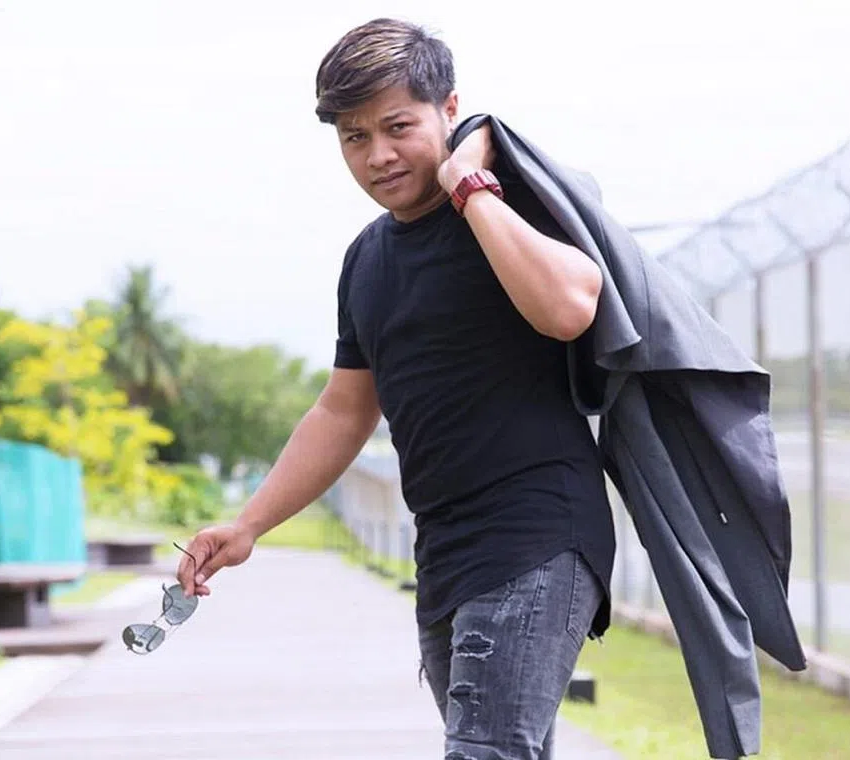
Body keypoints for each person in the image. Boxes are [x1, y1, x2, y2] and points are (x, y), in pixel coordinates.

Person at [176, 17, 617, 760]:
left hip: (537, 534)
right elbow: (343, 410)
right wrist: (249, 524)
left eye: (398, 127)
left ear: (450, 110)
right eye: (354, 137)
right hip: (443, 550)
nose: (377, 155)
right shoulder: (367, 260)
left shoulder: (509, 206)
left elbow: (571, 308)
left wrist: (469, 184)